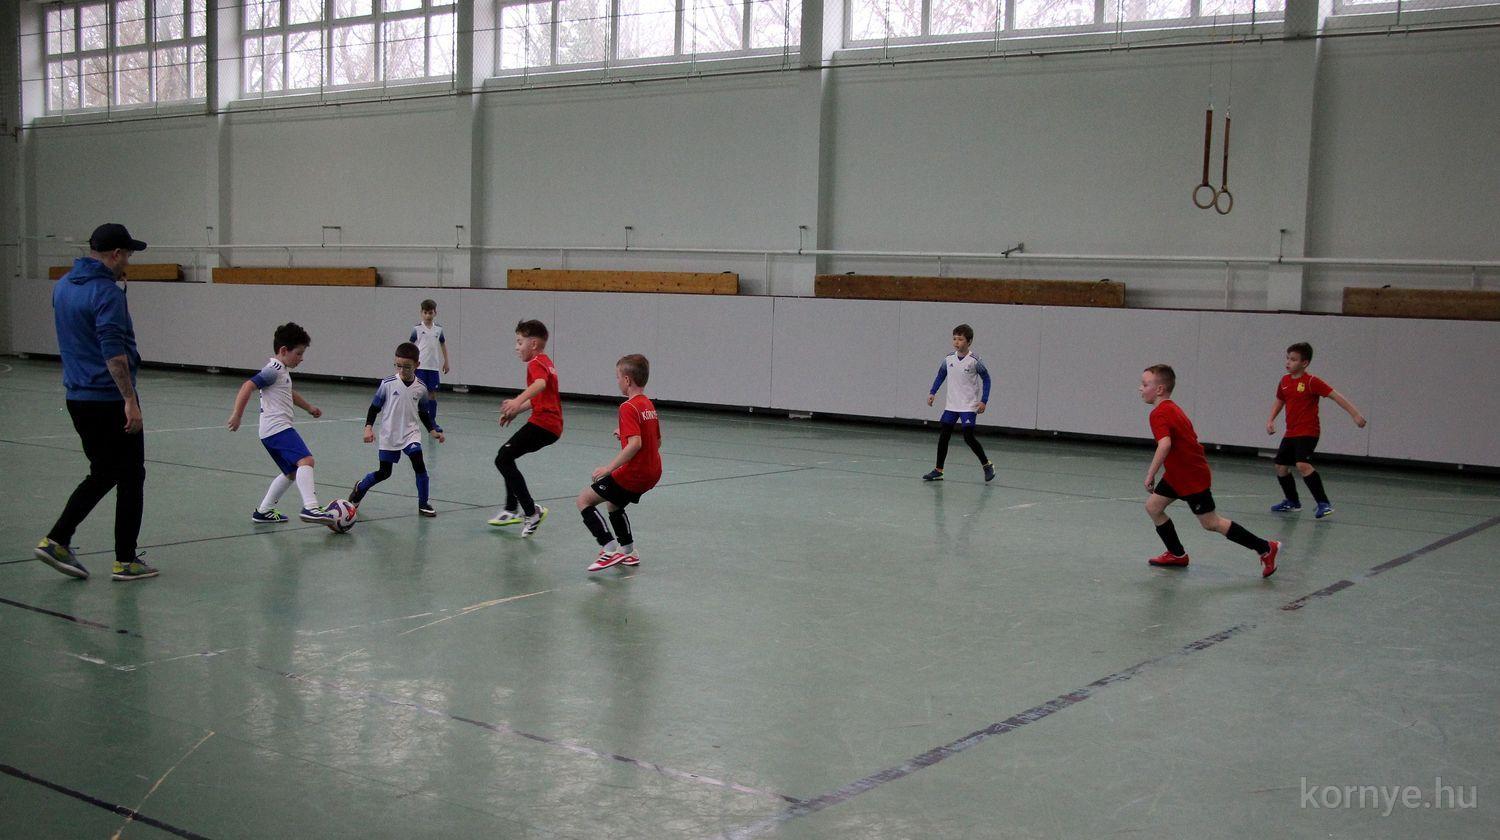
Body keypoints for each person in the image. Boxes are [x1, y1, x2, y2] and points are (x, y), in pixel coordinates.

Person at [34, 223, 158, 581]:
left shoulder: (62, 286)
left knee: (104, 472)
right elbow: (114, 354)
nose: (128, 262)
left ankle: (59, 539)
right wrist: (130, 400)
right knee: (131, 475)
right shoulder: (106, 294)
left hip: (77, 396)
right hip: (108, 398)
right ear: (116, 254)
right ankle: (125, 560)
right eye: (128, 255)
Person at [1140, 364, 1281, 578]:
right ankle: (1177, 554)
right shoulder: (1172, 408)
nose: (1140, 388)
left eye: (1145, 384)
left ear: (1159, 389)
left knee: (1211, 523)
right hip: (1178, 474)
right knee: (1153, 507)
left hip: (1191, 477)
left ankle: (1265, 548)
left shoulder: (1159, 413)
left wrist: (1150, 474)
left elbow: (1165, 444)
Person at [227, 322, 335, 525]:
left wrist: (309, 407)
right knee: (306, 460)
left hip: (269, 432)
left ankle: (264, 510)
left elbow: (288, 392)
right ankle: (311, 507)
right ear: (284, 350)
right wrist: (237, 415)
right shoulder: (273, 370)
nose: (301, 358)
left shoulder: (281, 371)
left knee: (292, 472)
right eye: (298, 353)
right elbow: (247, 386)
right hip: (278, 428)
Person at [576, 354, 661, 572]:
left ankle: (608, 548)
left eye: (617, 377)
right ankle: (628, 551)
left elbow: (635, 444)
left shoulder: (628, 407)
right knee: (613, 502)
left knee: (584, 500)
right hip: (653, 472)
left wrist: (608, 468)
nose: (617, 381)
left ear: (627, 380)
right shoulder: (648, 405)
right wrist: (624, 432)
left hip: (635, 473)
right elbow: (656, 441)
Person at [1266, 342, 1367, 519]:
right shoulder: (1284, 381)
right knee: (1280, 466)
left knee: (1302, 464)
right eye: (1288, 358)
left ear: (1304, 363)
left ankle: (1324, 504)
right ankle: (1292, 502)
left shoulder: (1312, 382)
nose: (1288, 362)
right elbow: (1280, 400)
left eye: (1293, 359)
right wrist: (1271, 419)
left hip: (1308, 431)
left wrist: (1355, 415)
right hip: (1291, 432)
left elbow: (1336, 396)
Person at [348, 342, 445, 516]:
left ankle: (424, 503)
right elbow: (374, 408)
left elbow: (424, 413)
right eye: (398, 365)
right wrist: (368, 428)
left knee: (419, 464)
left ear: (417, 365)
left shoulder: (421, 387)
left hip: (410, 434)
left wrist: (432, 430)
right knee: (384, 473)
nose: (402, 370)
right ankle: (360, 487)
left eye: (407, 367)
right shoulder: (387, 384)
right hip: (390, 434)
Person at [488, 320, 562, 537]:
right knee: (506, 457)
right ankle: (512, 509)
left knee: (503, 458)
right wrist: (517, 410)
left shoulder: (536, 363)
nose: (516, 347)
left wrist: (516, 401)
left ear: (534, 344)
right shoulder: (546, 362)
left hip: (544, 424)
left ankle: (530, 511)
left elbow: (539, 385)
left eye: (520, 342)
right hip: (550, 425)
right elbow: (540, 396)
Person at [922, 324, 996, 483]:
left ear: (969, 342)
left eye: (960, 339)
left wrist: (984, 400)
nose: (956, 342)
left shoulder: (974, 361)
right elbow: (941, 375)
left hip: (968, 405)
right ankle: (938, 470)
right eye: (954, 338)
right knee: (944, 436)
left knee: (968, 436)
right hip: (952, 405)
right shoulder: (948, 359)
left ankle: (987, 465)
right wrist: (932, 392)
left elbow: (987, 379)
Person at [409, 299, 448, 433]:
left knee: (432, 394)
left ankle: (432, 422)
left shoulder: (439, 329)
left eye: (430, 313)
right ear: (421, 313)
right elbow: (411, 345)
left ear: (435, 313)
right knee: (417, 393)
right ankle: (411, 422)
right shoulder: (417, 329)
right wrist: (410, 362)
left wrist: (446, 361)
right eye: (425, 313)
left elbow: (442, 344)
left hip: (433, 367)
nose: (428, 315)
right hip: (420, 367)